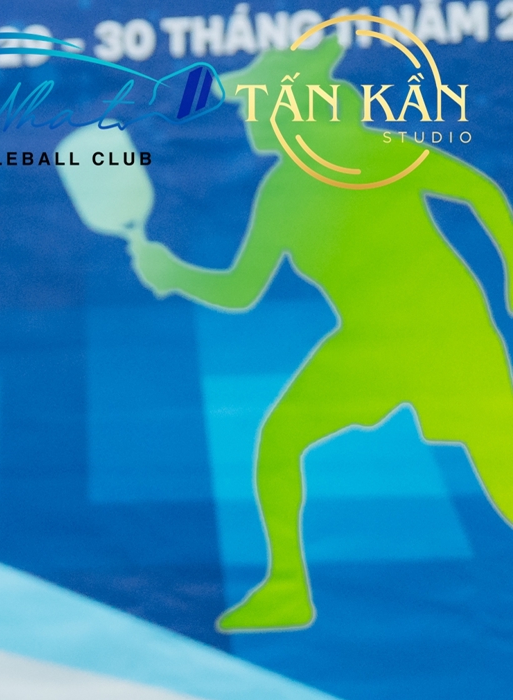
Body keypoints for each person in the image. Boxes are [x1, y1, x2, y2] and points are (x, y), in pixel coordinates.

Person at [128, 38, 513, 634]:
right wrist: (174, 272)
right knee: (280, 443)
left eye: (252, 104)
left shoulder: (368, 150)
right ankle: (288, 591)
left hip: (446, 334)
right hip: (369, 343)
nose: (245, 116)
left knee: (503, 475)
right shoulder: (281, 192)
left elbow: (481, 191)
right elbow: (241, 291)